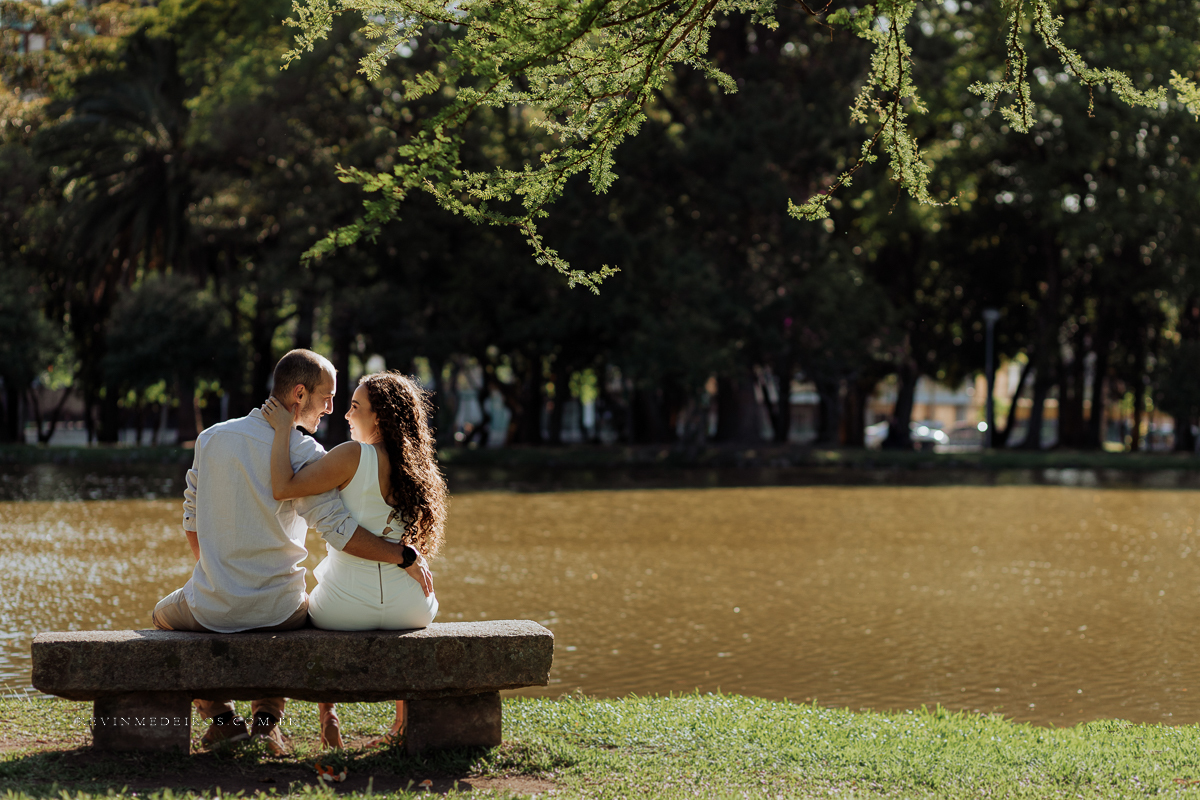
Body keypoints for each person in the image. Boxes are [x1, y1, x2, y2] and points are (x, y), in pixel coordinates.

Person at [151, 349, 432, 755]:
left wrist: (218, 573)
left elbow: (191, 513)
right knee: (297, 612)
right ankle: (266, 724)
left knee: (161, 616)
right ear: (299, 394)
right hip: (281, 610)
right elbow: (338, 528)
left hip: (212, 605)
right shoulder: (305, 453)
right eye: (327, 398)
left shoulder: (211, 438)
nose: (332, 409)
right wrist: (402, 555)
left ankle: (223, 719)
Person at [263, 370, 446, 748]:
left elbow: (283, 487)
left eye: (355, 407)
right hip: (411, 608)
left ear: (378, 417)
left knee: (308, 606)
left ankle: (329, 714)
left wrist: (284, 429)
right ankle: (402, 722)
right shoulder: (419, 469)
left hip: (342, 611)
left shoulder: (352, 456)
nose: (345, 414)